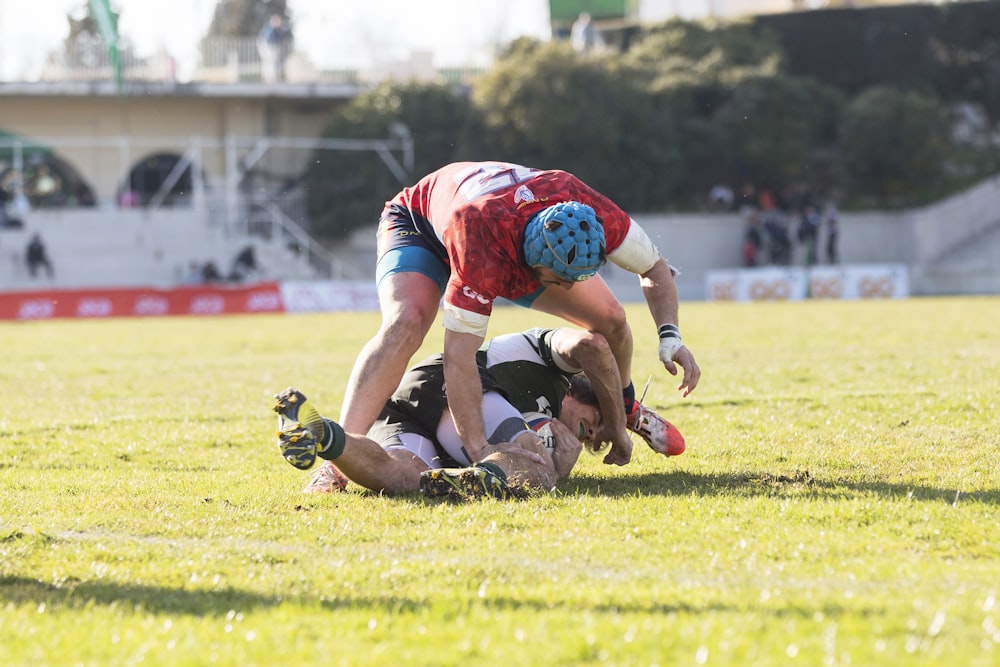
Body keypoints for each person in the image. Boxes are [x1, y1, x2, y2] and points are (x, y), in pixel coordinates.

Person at [337, 161, 700, 474]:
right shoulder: (483, 246)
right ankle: (336, 459)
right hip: (422, 224)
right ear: (532, 262)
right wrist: (479, 449)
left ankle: (623, 407)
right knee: (407, 322)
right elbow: (458, 358)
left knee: (611, 317)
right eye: (560, 278)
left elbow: (655, 268)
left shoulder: (588, 206)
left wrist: (671, 336)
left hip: (509, 226)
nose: (567, 287)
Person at [274, 327, 685, 498]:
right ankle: (475, 481)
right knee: (537, 470)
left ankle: (322, 434)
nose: (586, 436)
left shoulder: (546, 419)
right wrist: (620, 418)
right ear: (584, 390)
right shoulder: (555, 364)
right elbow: (593, 346)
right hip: (457, 379)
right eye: (591, 425)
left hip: (413, 405)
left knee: (404, 478)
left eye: (589, 439)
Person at [258, 14, 292, 83]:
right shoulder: (270, 28)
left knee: (270, 62)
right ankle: (269, 78)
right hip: (268, 46)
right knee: (270, 61)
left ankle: (269, 78)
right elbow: (268, 39)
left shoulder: (273, 29)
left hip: (269, 46)